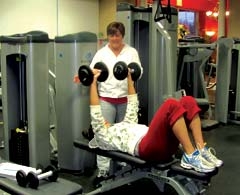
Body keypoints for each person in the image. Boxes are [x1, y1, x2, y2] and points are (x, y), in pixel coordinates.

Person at [89, 68, 223, 174]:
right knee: (171, 104)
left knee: (188, 101)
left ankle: (201, 149)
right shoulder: (102, 136)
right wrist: (93, 83)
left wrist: (129, 77)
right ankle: (190, 155)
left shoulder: (124, 124)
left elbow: (132, 103)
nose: (105, 121)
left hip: (161, 143)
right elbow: (95, 112)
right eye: (102, 123)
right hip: (146, 148)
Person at [75, 21, 143, 183]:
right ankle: (103, 171)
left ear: (122, 36)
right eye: (111, 35)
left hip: (126, 100)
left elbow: (139, 72)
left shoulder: (131, 52)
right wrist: (83, 76)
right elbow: (93, 73)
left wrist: (131, 72)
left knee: (126, 136)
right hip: (106, 100)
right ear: (108, 36)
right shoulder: (101, 53)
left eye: (117, 35)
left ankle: (125, 170)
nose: (114, 38)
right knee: (102, 137)